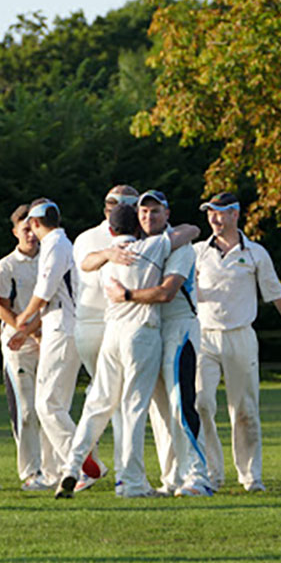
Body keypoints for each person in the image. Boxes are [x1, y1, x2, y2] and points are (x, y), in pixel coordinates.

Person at [55, 203, 199, 498]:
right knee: (133, 409)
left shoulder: (105, 258)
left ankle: (71, 468)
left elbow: (84, 263)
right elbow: (191, 231)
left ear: (111, 230)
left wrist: (107, 251)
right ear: (136, 227)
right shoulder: (152, 246)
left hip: (111, 335)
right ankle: (131, 483)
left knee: (97, 406)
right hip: (141, 333)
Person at [103, 190, 213, 497]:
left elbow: (166, 292)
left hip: (179, 329)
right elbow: (90, 261)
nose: (149, 217)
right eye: (143, 212)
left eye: (155, 211)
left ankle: (198, 476)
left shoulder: (181, 246)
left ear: (167, 213)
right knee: (159, 411)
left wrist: (125, 296)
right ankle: (172, 478)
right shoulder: (139, 246)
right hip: (152, 329)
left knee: (181, 403)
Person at [193, 192, 281, 492]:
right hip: (204, 336)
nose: (214, 218)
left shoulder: (255, 253)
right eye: (210, 212)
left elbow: (275, 292)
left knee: (245, 410)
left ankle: (251, 476)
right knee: (201, 404)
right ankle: (211, 473)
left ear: (235, 214)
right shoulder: (197, 251)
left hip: (241, 335)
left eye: (220, 212)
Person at [10, 198, 99, 487]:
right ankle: (72, 466)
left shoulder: (55, 245)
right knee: (57, 404)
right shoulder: (61, 242)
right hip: (64, 325)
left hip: (62, 327)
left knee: (47, 404)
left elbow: (44, 291)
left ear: (35, 223)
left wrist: (23, 318)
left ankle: (80, 465)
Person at [72, 186, 138, 492]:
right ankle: (122, 473)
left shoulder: (89, 238)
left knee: (101, 400)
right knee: (118, 403)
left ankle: (86, 466)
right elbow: (89, 270)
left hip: (106, 323)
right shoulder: (90, 239)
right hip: (102, 322)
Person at [0, 204, 57, 491]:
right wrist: (22, 329)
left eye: (33, 227)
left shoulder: (50, 259)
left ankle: (54, 469)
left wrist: (37, 330)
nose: (30, 234)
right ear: (15, 231)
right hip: (17, 344)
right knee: (27, 409)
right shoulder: (6, 265)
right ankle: (31, 471)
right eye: (24, 229)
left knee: (51, 405)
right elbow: (0, 307)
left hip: (49, 338)